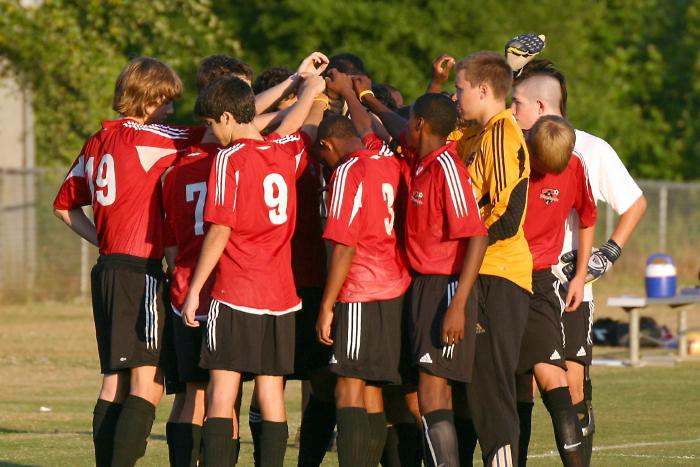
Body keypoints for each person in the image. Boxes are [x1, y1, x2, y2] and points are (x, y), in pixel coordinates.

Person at [53, 56, 205, 467]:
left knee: (114, 382)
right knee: (148, 382)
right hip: (139, 272)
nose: (172, 110)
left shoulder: (98, 139)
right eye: (167, 101)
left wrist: (104, 239)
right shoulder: (154, 138)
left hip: (107, 269)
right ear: (149, 97)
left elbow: (65, 208)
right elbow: (222, 124)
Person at [180, 72, 326, 467]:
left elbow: (220, 228)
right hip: (281, 297)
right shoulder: (284, 153)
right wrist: (311, 89)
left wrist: (195, 289)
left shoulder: (230, 159)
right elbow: (302, 127)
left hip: (236, 293)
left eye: (212, 123)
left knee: (222, 393)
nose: (212, 132)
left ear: (227, 118)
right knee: (272, 394)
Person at [510, 58, 647, 465]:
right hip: (523, 278)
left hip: (571, 287)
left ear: (543, 101)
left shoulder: (589, 147)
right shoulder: (513, 141)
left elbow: (634, 203)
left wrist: (608, 253)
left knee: (572, 386)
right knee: (522, 386)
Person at [315, 69, 412, 467]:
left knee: (348, 389)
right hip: (394, 287)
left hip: (359, 290)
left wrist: (327, 304)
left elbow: (342, 244)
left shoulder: (347, 171)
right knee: (374, 390)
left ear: (326, 146)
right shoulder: (385, 158)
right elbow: (363, 126)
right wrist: (353, 95)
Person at [452, 51, 533, 466]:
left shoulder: (503, 133)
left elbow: (507, 214)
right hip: (480, 272)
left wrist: (466, 243)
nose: (456, 96)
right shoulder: (478, 134)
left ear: (483, 91)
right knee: (472, 390)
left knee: (491, 389)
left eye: (460, 88)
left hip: (496, 274)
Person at [518, 115, 597, 466]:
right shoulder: (512, 159)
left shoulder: (575, 165)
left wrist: (580, 275)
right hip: (500, 278)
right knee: (515, 385)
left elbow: (588, 217)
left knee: (553, 378)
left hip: (540, 282)